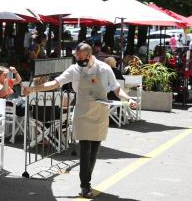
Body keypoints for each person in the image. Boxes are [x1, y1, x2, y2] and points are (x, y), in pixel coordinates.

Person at [24, 42, 136, 198]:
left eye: (81, 57)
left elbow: (116, 89)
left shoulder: (104, 68)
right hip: (82, 111)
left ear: (89, 56)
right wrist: (33, 89)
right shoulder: (75, 69)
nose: (78, 60)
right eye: (76, 57)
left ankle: (86, 180)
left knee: (94, 151)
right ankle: (85, 185)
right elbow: (56, 82)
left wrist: (129, 99)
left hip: (99, 112)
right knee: (84, 149)